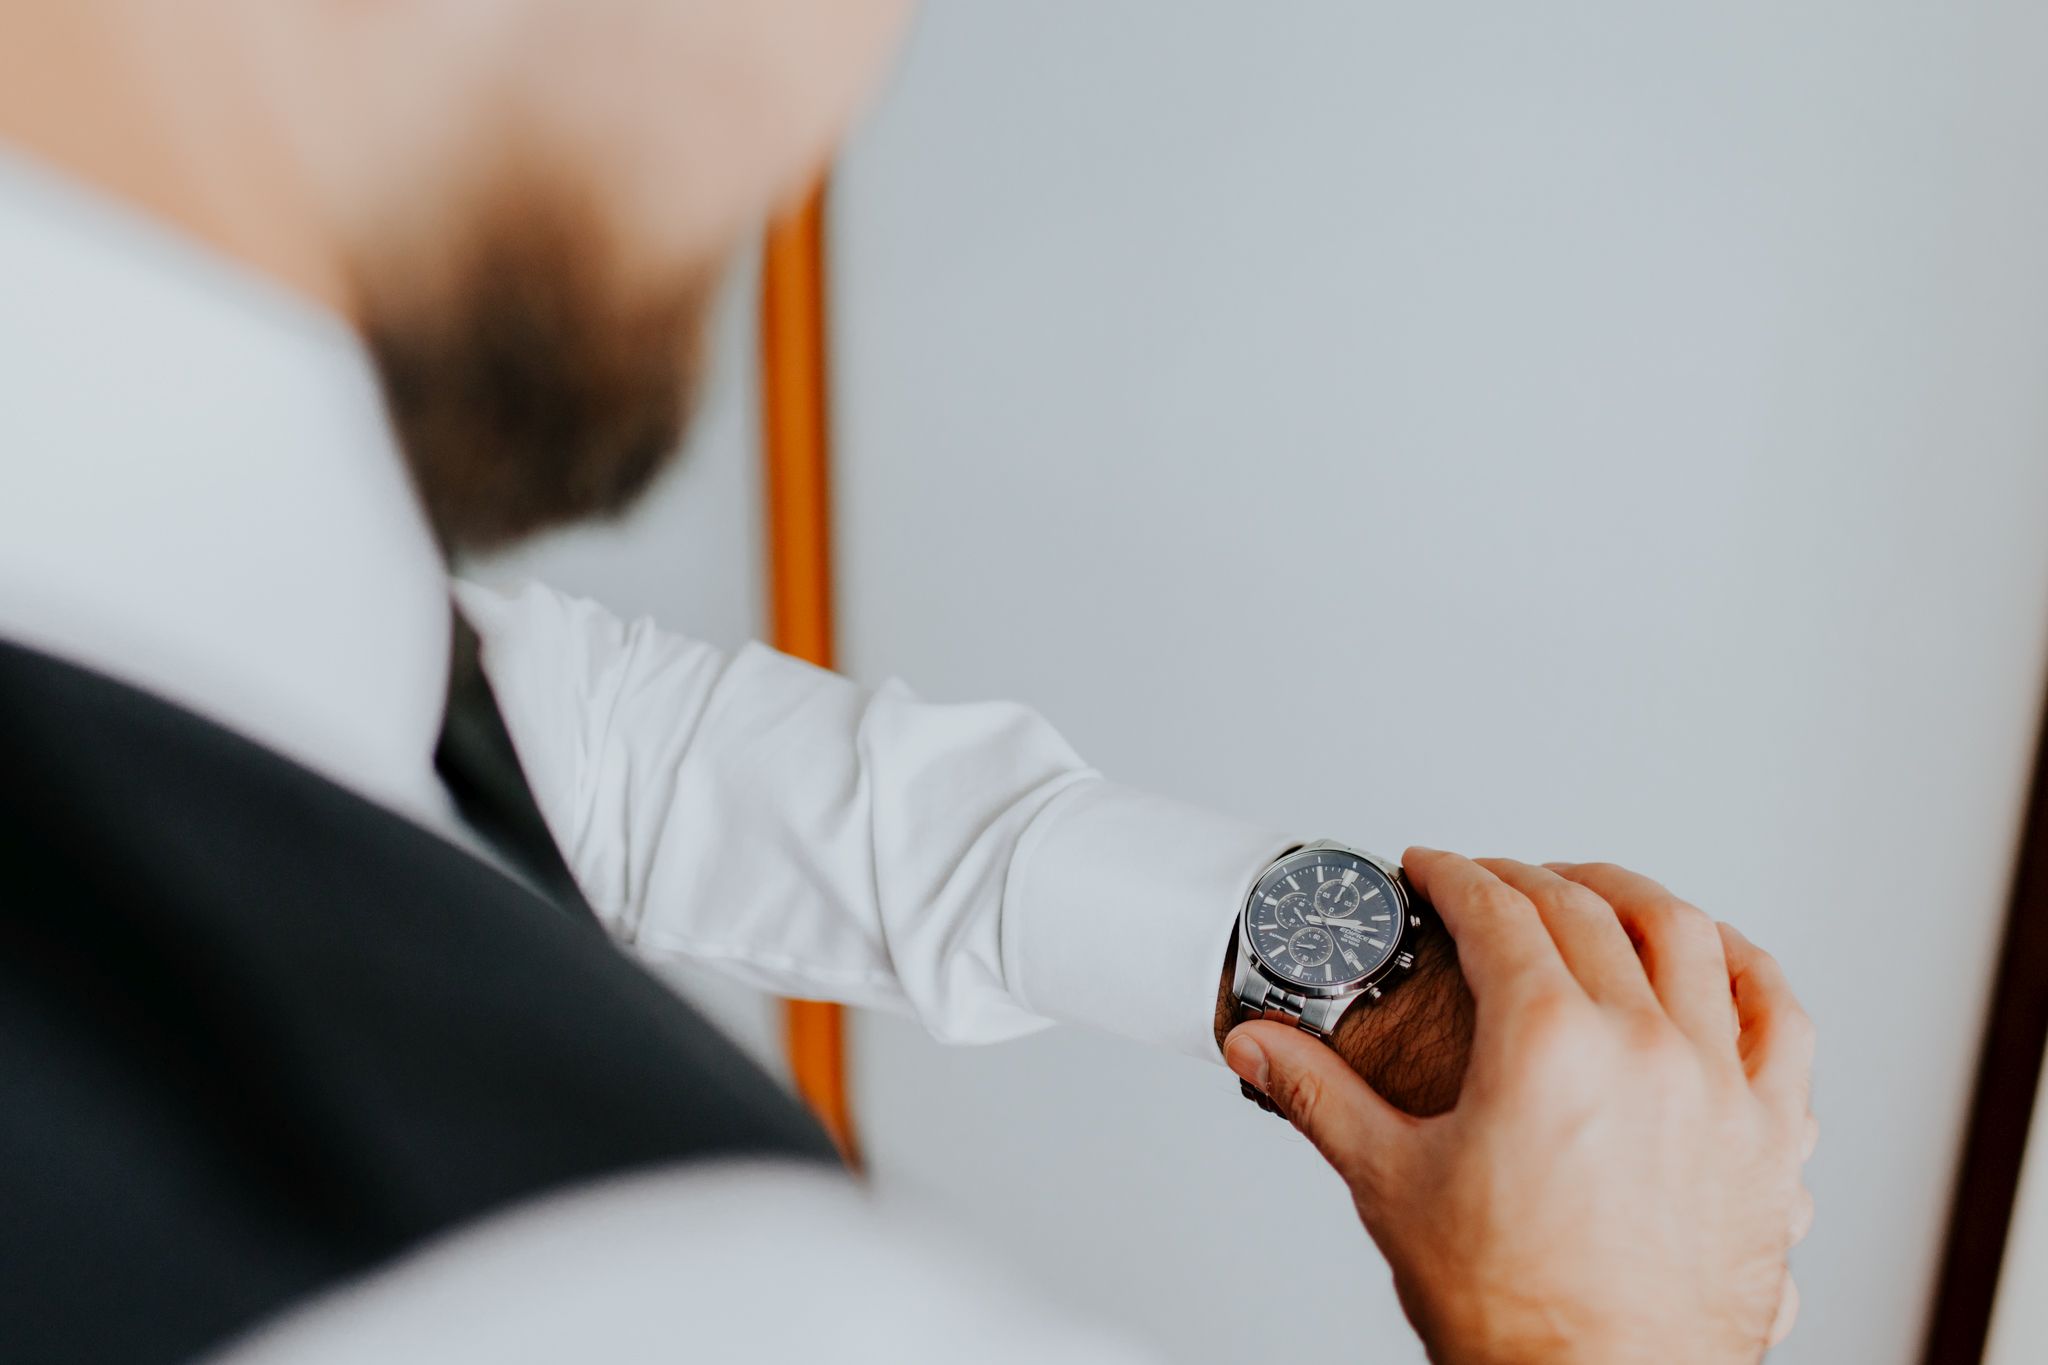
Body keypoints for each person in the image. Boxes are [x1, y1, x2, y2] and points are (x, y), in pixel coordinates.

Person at [0, 3, 1815, 1362]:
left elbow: (573, 740)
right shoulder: (633, 1295)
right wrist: (1605, 1331)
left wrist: (1325, 962)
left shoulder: (157, 556)